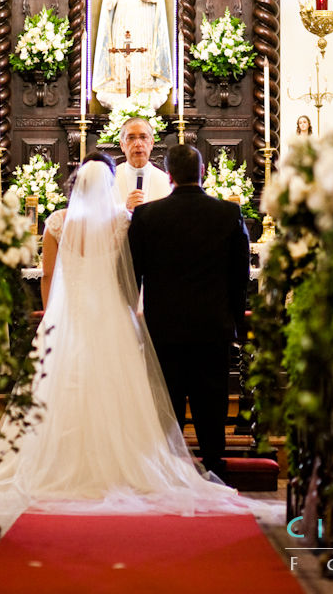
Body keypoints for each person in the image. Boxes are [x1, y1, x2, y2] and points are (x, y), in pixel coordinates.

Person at [0, 154, 242, 520]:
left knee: (61, 389)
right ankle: (137, 464)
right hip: (114, 317)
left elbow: (48, 277)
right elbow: (133, 273)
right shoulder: (124, 221)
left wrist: (52, 318)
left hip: (68, 318)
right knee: (124, 393)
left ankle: (60, 462)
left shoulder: (57, 223)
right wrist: (130, 310)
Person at [128, 144, 250, 478]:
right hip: (213, 324)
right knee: (211, 398)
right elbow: (241, 275)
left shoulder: (147, 216)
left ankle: (168, 469)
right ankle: (212, 464)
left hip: (163, 325)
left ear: (168, 176)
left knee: (167, 400)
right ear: (203, 172)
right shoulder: (227, 213)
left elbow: (133, 273)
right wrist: (235, 323)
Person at [92, 0, 174, 108]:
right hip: (124, 5)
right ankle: (121, 85)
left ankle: (143, 84)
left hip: (142, 9)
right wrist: (111, 1)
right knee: (122, 43)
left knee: (142, 41)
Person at [38, 150, 115, 308]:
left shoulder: (57, 221)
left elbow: (47, 275)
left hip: (67, 306)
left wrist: (48, 314)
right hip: (108, 306)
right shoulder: (120, 221)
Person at [113, 116, 171, 211]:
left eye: (143, 137)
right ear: (122, 145)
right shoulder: (111, 179)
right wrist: (124, 209)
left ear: (151, 143)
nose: (138, 144)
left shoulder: (165, 181)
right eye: (131, 138)